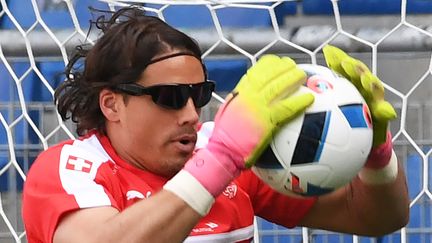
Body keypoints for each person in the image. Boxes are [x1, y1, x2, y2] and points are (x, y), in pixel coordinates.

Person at [22, 6, 409, 243]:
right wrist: (220, 160)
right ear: (112, 104)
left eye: (200, 94)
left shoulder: (224, 158)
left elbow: (379, 219)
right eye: (170, 97)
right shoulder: (70, 169)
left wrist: (374, 154)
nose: (191, 113)